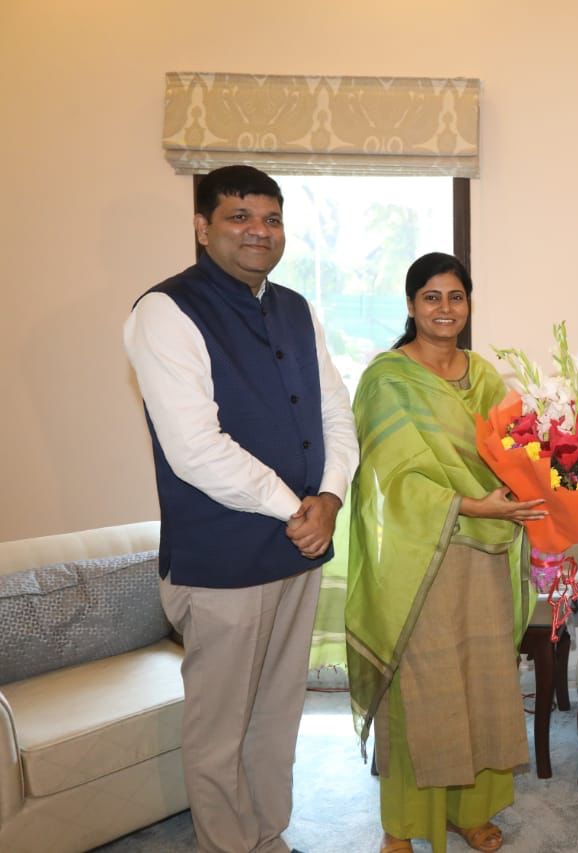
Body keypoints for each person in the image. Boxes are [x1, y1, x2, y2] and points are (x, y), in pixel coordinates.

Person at [123, 164, 359, 853]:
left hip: (299, 547)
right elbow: (196, 449)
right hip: (222, 560)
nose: (260, 231)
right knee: (220, 725)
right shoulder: (164, 311)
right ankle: (227, 844)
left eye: (272, 218)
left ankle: (267, 835)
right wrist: (299, 506)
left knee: (277, 713)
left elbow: (334, 412)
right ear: (202, 226)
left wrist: (333, 497)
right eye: (239, 217)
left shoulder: (294, 306)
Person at [344, 253, 545, 853]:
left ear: (468, 305)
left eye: (455, 297)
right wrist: (468, 505)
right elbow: (388, 478)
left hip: (484, 555)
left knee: (481, 679)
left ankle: (470, 811)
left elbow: (514, 454)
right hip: (421, 553)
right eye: (431, 297)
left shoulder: (484, 377)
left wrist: (522, 493)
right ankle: (404, 823)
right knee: (422, 687)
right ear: (410, 306)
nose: (444, 309)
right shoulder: (387, 379)